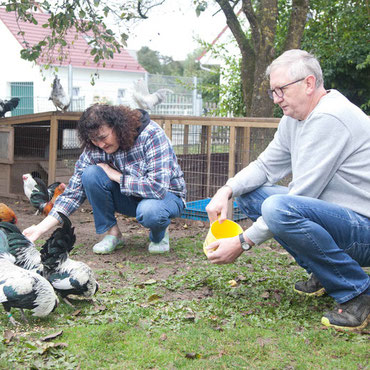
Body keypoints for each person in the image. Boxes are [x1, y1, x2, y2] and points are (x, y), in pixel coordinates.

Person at [205, 49, 370, 331]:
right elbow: (266, 166)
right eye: (272, 92)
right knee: (250, 193)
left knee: (279, 208)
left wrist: (243, 242)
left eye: (281, 90)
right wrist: (226, 190)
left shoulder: (330, 117)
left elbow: (300, 195)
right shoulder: (294, 118)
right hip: (341, 219)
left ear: (308, 83)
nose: (276, 99)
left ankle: (358, 295)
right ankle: (325, 273)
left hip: (363, 228)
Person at [23, 104, 186, 254]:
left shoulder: (151, 134)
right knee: (91, 174)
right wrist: (39, 229)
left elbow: (157, 187)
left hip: (166, 198)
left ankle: (159, 233)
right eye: (94, 140)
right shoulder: (94, 149)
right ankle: (112, 233)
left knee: (151, 212)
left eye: (103, 137)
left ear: (118, 127)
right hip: (131, 198)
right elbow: (72, 194)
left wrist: (113, 174)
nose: (101, 144)